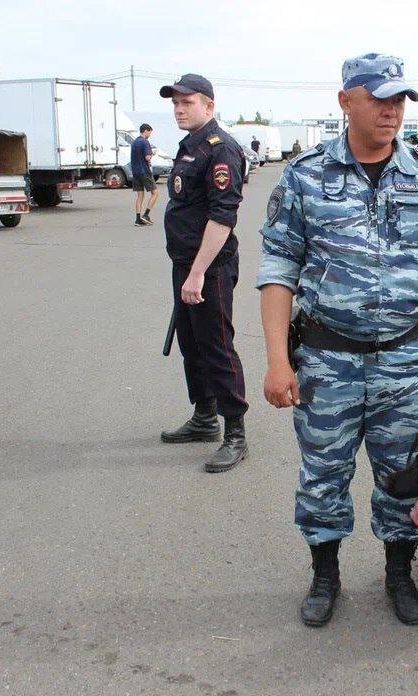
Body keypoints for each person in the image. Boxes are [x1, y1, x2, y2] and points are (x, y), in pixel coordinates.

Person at [257, 52, 418, 629]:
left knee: (405, 473)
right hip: (326, 358)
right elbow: (278, 269)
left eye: (400, 99)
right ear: (345, 100)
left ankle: (398, 573)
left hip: (405, 359)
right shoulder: (305, 175)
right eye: (379, 98)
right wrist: (278, 361)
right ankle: (324, 573)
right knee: (323, 473)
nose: (392, 111)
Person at [158, 74, 250, 473]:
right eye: (175, 103)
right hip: (186, 265)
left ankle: (235, 433)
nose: (179, 109)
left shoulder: (221, 149)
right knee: (191, 344)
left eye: (187, 102)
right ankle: (204, 417)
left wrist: (196, 274)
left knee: (217, 347)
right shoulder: (190, 146)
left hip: (208, 269)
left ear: (209, 106)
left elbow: (222, 217)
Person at [131, 123, 158, 226]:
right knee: (155, 193)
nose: (150, 134)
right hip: (144, 171)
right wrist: (152, 154)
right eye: (150, 132)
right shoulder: (145, 142)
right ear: (146, 130)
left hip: (135, 172)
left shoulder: (134, 142)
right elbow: (147, 157)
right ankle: (146, 215)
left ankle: (138, 219)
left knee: (140, 195)